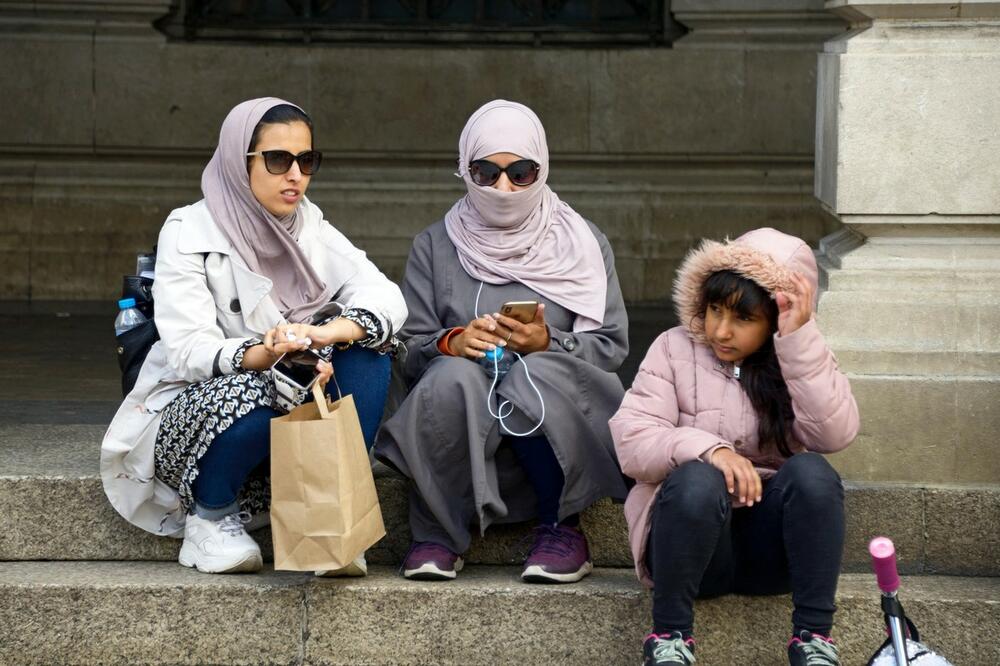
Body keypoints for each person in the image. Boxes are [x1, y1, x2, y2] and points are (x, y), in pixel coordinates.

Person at [101, 98, 407, 575]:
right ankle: (211, 516)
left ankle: (330, 514)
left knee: (370, 348)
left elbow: (386, 296)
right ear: (238, 160)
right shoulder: (189, 229)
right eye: (278, 159)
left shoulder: (309, 224)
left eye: (306, 160)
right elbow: (188, 351)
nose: (295, 175)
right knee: (269, 384)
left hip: (291, 421)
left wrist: (324, 333)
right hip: (197, 417)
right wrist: (265, 353)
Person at [374, 99, 629, 584]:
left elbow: (611, 347)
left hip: (552, 417)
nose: (504, 188)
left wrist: (548, 341)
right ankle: (437, 533)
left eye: (521, 173)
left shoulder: (582, 243)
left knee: (534, 373)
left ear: (542, 168)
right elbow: (407, 348)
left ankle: (561, 525)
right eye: (486, 173)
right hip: (463, 416)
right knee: (451, 377)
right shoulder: (436, 244)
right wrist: (452, 342)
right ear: (465, 169)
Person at [609, 228, 859, 665]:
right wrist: (712, 451)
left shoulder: (798, 354)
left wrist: (798, 343)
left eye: (743, 318)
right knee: (696, 478)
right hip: (689, 548)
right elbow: (633, 441)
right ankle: (669, 638)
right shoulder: (673, 348)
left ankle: (814, 639)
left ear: (774, 318)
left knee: (813, 472)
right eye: (715, 310)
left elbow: (834, 434)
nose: (721, 331)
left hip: (772, 554)